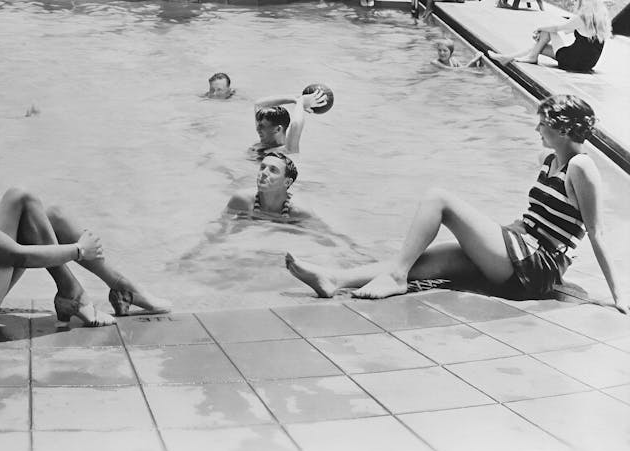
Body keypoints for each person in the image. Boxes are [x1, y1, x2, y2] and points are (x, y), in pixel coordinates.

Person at [285, 95, 627, 314]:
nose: (537, 128)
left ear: (564, 129)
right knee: (423, 261)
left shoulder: (581, 167)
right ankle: (333, 279)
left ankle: (395, 276)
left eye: (544, 123)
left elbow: (595, 232)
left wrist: (617, 297)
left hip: (534, 266)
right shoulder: (550, 157)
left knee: (439, 198)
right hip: (518, 248)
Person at [0, 104, 172, 343]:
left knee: (50, 214)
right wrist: (79, 250)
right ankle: (73, 293)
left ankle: (121, 288)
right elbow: (15, 254)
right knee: (22, 198)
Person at [490, 0, 613, 73]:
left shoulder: (581, 18)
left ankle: (526, 58)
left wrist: (539, 28)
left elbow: (557, 28)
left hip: (573, 62)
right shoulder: (598, 18)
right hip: (586, 63)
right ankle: (508, 57)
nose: (573, 2)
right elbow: (570, 30)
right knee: (539, 46)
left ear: (584, 2)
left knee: (547, 32)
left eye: (575, 0)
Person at [227, 152, 314, 221]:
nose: (264, 173)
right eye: (262, 167)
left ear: (287, 182)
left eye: (273, 170)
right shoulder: (242, 201)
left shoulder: (299, 212)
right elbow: (221, 227)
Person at [252, 87, 331, 157]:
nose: (257, 129)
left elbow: (296, 124)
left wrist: (301, 102)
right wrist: (295, 99)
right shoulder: (265, 141)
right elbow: (258, 104)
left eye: (262, 126)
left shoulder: (287, 151)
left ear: (278, 129)